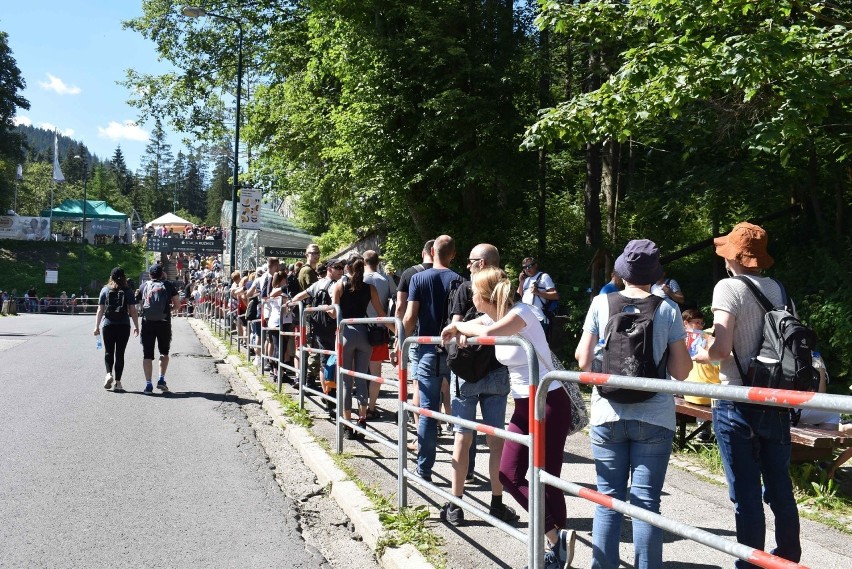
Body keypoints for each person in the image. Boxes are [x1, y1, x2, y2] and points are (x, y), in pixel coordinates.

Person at [442, 266, 576, 569]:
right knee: (508, 473)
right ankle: (557, 539)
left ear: (483, 295)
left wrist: (461, 329)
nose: (471, 297)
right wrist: (458, 327)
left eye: (474, 292)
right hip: (524, 404)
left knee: (548, 479)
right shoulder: (497, 315)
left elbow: (487, 332)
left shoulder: (522, 313)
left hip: (548, 402)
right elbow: (481, 324)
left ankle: (555, 552)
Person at [575, 239, 692, 569]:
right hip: (655, 417)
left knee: (607, 501)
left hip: (607, 413)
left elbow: (582, 359)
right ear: (656, 274)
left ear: (622, 271)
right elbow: (681, 372)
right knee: (646, 504)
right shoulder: (667, 308)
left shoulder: (602, 303)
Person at [694, 222, 801, 567]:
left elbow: (722, 349)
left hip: (736, 399)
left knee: (745, 492)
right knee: (780, 487)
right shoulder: (780, 290)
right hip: (775, 399)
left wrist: (699, 352)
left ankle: (750, 562)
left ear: (733, 258)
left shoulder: (728, 287)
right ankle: (787, 558)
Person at [439, 243, 517, 527]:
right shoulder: (508, 288)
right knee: (495, 440)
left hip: (468, 371)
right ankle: (497, 503)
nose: (468, 266)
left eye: (471, 261)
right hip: (497, 369)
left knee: (463, 436)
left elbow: (455, 323)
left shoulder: (465, 288)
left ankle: (455, 505)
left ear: (482, 264)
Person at [403, 235, 460, 480]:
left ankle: (424, 469)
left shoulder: (418, 278)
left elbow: (410, 316)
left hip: (426, 349)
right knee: (460, 410)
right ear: (453, 255)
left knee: (426, 409)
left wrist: (400, 343)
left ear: (432, 252)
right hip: (454, 352)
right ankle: (465, 468)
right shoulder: (460, 280)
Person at [330, 256, 388, 440]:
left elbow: (333, 313)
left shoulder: (339, 286)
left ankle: (348, 425)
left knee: (347, 381)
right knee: (362, 378)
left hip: (345, 334)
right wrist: (397, 332)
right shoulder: (370, 288)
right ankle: (362, 420)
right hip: (364, 334)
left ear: (347, 268)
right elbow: (380, 313)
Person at [94, 267, 140, 392]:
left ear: (111, 277)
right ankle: (118, 383)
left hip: (108, 325)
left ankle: (109, 374)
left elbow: (100, 309)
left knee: (109, 352)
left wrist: (96, 326)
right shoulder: (128, 291)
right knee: (120, 353)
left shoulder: (105, 290)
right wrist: (136, 326)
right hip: (124, 325)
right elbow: (133, 311)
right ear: (124, 277)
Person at [140, 264, 180, 393]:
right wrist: (169, 310)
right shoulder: (168, 285)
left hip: (147, 323)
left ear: (150, 274)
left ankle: (148, 385)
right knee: (164, 352)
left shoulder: (144, 286)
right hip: (164, 323)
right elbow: (177, 304)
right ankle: (161, 379)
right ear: (162, 274)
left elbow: (137, 305)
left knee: (147, 355)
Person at [363, 250, 392, 419]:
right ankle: (371, 407)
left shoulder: (359, 280)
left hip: (360, 329)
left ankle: (358, 406)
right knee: (376, 372)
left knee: (356, 370)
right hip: (379, 330)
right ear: (377, 262)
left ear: (363, 261)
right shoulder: (385, 280)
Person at [516, 257, 559, 338]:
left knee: (538, 346)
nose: (527, 269)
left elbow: (555, 295)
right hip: (526, 318)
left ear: (535, 265)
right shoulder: (526, 280)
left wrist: (538, 293)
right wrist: (521, 282)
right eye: (524, 267)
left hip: (539, 318)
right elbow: (519, 296)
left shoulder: (544, 276)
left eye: (529, 266)